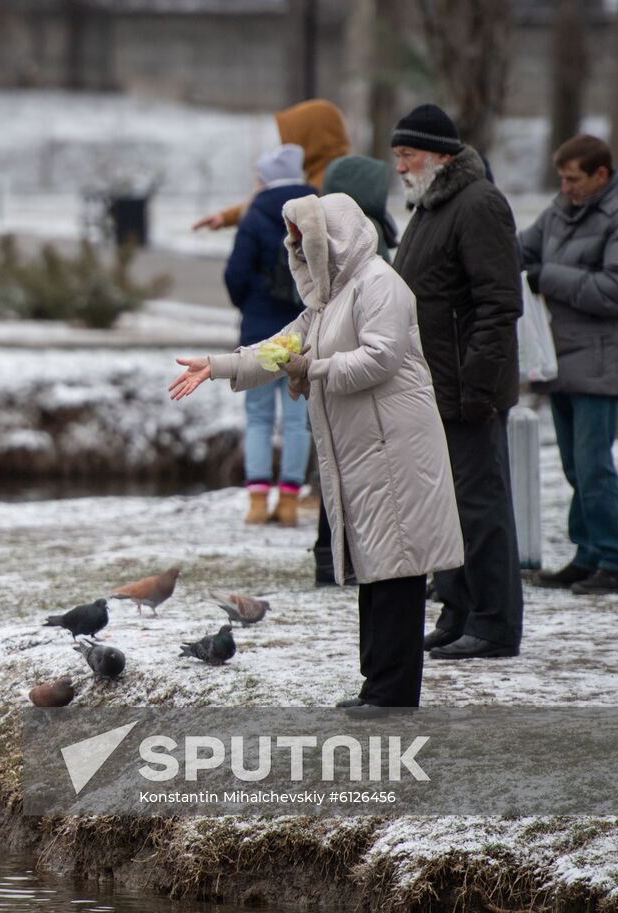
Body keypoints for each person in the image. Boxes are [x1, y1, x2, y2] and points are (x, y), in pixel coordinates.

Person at [170, 193, 464, 707]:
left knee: (398, 571)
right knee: (378, 570)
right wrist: (217, 366)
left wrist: (314, 370)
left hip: (395, 452)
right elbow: (280, 348)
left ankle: (392, 693)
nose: (300, 252)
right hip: (369, 453)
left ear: (334, 239)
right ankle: (379, 685)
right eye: (296, 244)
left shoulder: (379, 285)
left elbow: (379, 359)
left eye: (307, 241)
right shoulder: (328, 303)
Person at [389, 103, 524, 661]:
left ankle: (494, 623)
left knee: (481, 509)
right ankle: (457, 611)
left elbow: (498, 303)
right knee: (443, 511)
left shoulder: (479, 203)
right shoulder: (430, 204)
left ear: (441, 156)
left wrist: (477, 385)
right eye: (396, 156)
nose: (399, 166)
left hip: (469, 394)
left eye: (408, 155)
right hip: (431, 391)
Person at [520, 134, 618, 595]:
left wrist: (547, 277)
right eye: (561, 178)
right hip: (561, 357)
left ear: (601, 175)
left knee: (594, 465)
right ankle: (589, 554)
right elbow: (524, 248)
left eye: (573, 178)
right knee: (575, 467)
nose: (565, 187)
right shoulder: (562, 210)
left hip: (600, 358)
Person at [310, 154, 399, 584]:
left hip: (357, 392)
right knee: (340, 474)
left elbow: (380, 352)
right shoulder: (359, 247)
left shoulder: (369, 264)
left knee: (348, 477)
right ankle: (334, 557)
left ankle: (333, 557)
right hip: (342, 387)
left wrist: (317, 366)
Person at [222, 144, 316, 525]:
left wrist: (251, 305)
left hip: (261, 331)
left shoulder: (256, 213)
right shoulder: (316, 210)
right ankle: (291, 501)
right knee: (297, 420)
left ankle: (258, 502)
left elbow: (235, 275)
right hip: (306, 332)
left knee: (259, 417)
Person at [192, 99, 350, 232]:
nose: (286, 147)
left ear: (311, 138)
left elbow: (277, 203)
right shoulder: (329, 174)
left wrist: (228, 217)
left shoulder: (327, 183)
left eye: (293, 137)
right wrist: (226, 217)